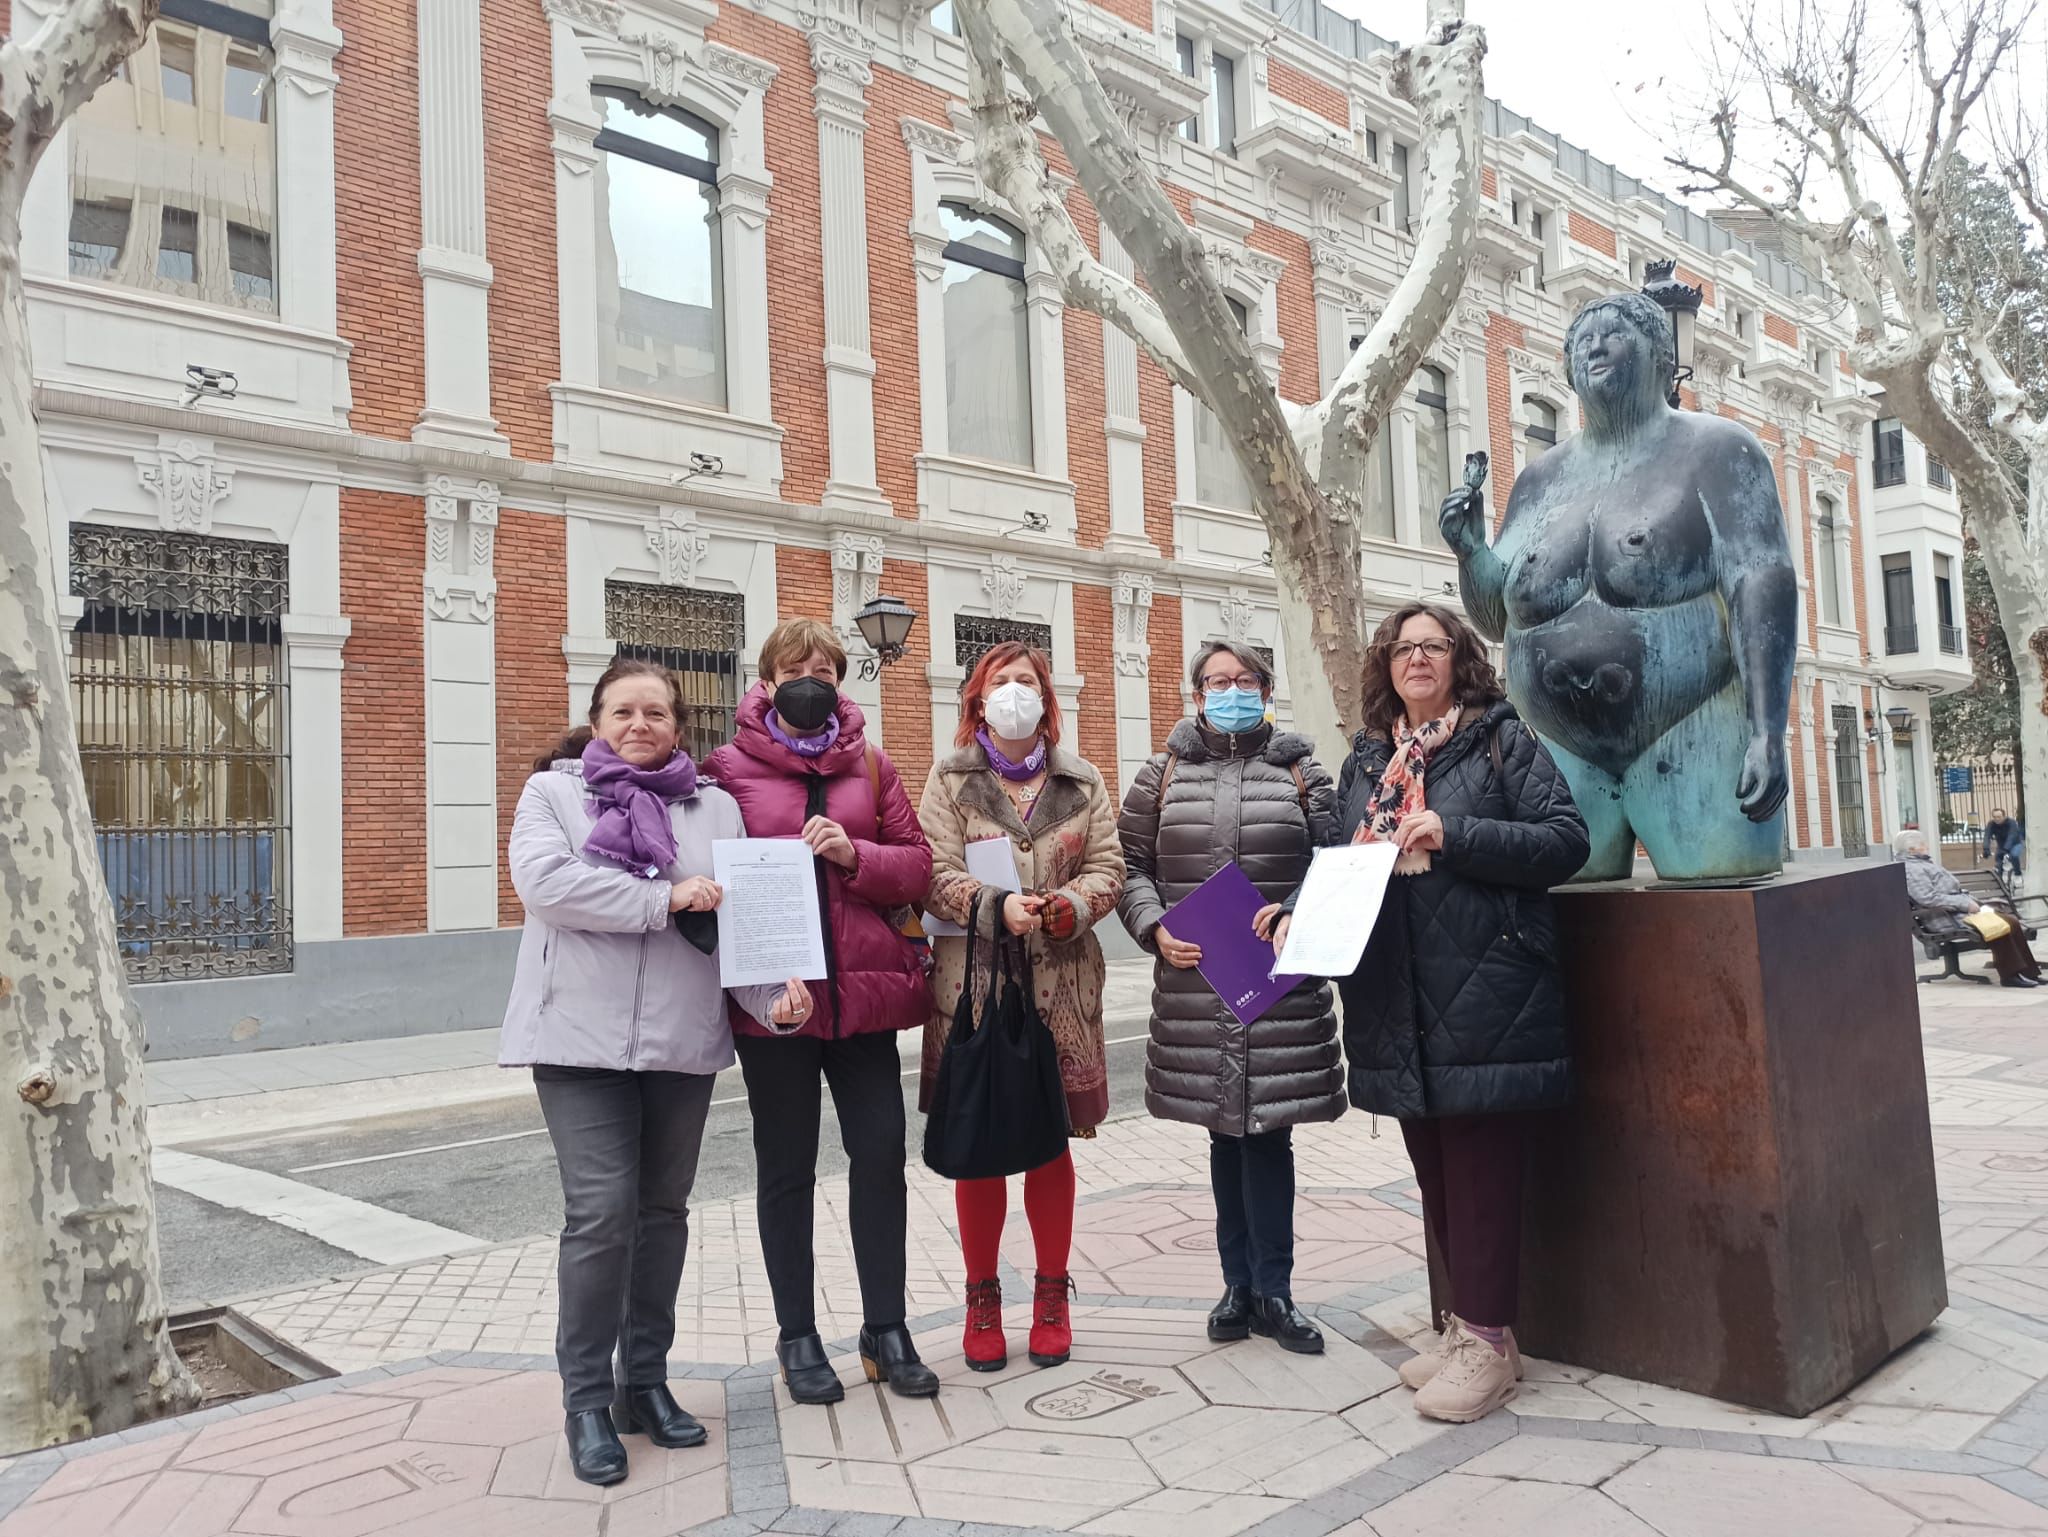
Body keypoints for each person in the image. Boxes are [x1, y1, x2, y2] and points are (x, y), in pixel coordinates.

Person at [1270, 602, 1588, 1424]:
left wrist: (1456, 831)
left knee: (1482, 1172)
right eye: (1403, 647)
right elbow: (1345, 860)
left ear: (1459, 660)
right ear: (1386, 665)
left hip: (1487, 992)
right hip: (1395, 997)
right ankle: (1467, 1332)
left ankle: (1489, 1340)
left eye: (1433, 646)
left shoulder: (1500, 740)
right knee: (1438, 1172)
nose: (1417, 658)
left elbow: (1565, 840)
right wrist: (1296, 909)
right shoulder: (1368, 761)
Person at [502, 658, 812, 1486]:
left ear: (681, 725)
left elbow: (733, 917)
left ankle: (644, 1382)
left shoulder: (712, 807)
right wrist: (661, 900)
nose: (640, 725)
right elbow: (546, 884)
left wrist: (775, 994)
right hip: (576, 1040)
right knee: (602, 1213)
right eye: (623, 711)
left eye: (657, 713)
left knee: (663, 1211)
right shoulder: (556, 795)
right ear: (597, 719)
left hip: (680, 1040)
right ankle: (586, 1401)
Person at [704, 619, 939, 1403]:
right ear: (764, 681)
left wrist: (853, 853)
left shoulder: (873, 767)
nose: (811, 676)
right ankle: (797, 1336)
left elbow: (916, 867)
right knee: (786, 1170)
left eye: (825, 666)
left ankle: (886, 1327)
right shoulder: (725, 771)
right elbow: (714, 881)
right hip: (777, 1009)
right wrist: (764, 980)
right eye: (794, 665)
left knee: (880, 1157)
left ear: (841, 679)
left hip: (863, 1001)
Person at [1117, 643, 1344, 1354]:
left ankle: (1275, 1289)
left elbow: (1340, 866)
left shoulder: (1304, 772)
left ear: (1267, 689)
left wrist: (1293, 913)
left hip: (1279, 981)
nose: (1231, 690)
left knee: (1269, 1133)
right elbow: (1129, 865)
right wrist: (1152, 927)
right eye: (1217, 681)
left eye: (1244, 680)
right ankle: (1236, 1286)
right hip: (1197, 981)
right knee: (1224, 1132)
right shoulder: (1163, 774)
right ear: (1196, 694)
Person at [918, 641, 1125, 1372]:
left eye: (1026, 681)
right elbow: (932, 871)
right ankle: (981, 1298)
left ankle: (1050, 1294)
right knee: (979, 1143)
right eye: (1000, 682)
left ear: (1047, 697)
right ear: (977, 700)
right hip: (975, 990)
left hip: (1063, 986)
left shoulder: (1083, 778)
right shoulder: (949, 779)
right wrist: (995, 906)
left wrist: (1066, 906)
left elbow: (1110, 865)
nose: (1014, 691)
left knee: (1050, 1141)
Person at [1901, 828, 2041, 987]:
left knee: (2011, 922)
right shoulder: (1911, 869)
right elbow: (1927, 898)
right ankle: (2010, 976)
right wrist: (1966, 904)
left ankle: (2028, 973)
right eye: (1922, 844)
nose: (1926, 846)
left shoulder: (1920, 864)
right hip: (1945, 917)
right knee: (2000, 925)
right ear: (1912, 849)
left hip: (1956, 911)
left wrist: (1974, 902)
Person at [1984, 808, 2026, 887]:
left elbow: (2012, 835)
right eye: (1994, 817)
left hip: (2015, 844)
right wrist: (1986, 848)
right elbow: (1987, 836)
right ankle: (2000, 884)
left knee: (2014, 855)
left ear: (2004, 816)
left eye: (1999, 817)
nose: (1997, 819)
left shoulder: (2011, 822)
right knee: (1998, 863)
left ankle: (2018, 874)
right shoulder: (1991, 824)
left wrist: (2006, 849)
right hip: (2001, 846)